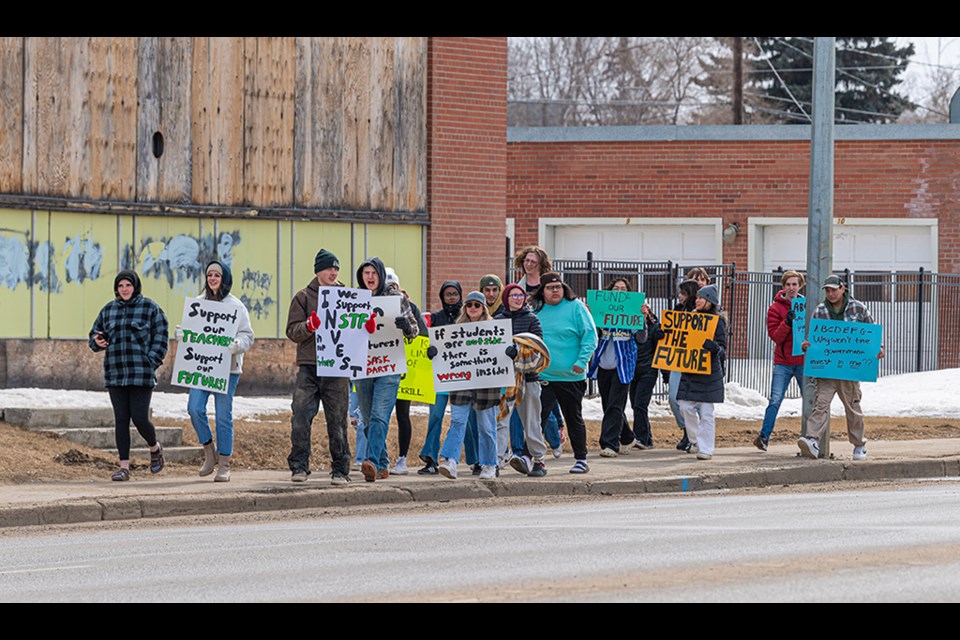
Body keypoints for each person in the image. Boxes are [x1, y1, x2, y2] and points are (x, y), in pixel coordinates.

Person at [88, 270, 169, 481]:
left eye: (128, 285)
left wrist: (151, 361)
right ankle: (124, 468)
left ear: (135, 287)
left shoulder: (150, 308)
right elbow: (94, 335)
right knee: (121, 419)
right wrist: (97, 341)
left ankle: (155, 447)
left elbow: (161, 336)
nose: (124, 289)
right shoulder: (108, 310)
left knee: (140, 418)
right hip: (116, 374)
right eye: (121, 286)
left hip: (141, 374)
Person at [179, 260, 254, 482]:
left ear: (225, 279)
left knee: (223, 415)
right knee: (194, 408)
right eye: (209, 275)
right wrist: (185, 335)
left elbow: (248, 335)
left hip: (227, 369)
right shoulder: (198, 303)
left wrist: (237, 345)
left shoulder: (236, 306)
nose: (212, 278)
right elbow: (194, 330)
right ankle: (208, 451)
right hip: (201, 367)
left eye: (217, 275)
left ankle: (224, 463)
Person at [797, 275, 884, 461]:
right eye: (827, 290)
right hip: (826, 371)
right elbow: (811, 339)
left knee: (852, 408)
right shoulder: (820, 311)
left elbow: (872, 332)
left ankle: (859, 445)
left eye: (834, 290)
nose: (830, 293)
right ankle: (812, 439)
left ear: (842, 288)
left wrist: (879, 348)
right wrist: (806, 346)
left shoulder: (858, 308)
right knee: (820, 405)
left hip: (850, 371)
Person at [286, 249, 352, 485]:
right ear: (318, 271)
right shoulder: (303, 297)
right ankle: (299, 466)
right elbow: (292, 331)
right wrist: (308, 326)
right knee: (301, 416)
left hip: (337, 368)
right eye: (328, 268)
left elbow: (356, 331)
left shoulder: (348, 296)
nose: (333, 272)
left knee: (337, 420)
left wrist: (367, 326)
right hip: (310, 367)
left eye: (336, 268)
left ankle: (341, 470)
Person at [354, 257, 421, 482]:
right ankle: (382, 465)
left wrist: (405, 326)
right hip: (362, 367)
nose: (370, 277)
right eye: (366, 273)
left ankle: (371, 460)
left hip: (389, 366)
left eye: (374, 273)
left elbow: (414, 329)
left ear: (381, 275)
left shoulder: (396, 298)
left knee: (379, 416)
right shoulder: (354, 299)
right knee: (366, 419)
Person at [428, 291, 502, 480]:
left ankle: (489, 464)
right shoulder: (455, 329)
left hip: (486, 384)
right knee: (458, 421)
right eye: (469, 305)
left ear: (483, 308)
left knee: (486, 426)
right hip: (461, 382)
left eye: (477, 305)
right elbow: (445, 352)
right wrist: (434, 351)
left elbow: (501, 356)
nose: (473, 309)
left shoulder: (495, 329)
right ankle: (450, 460)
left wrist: (508, 352)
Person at [531, 271, 598, 474]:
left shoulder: (575, 307)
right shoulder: (535, 311)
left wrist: (581, 361)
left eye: (558, 287)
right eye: (550, 288)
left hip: (571, 376)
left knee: (573, 417)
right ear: (542, 292)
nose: (555, 291)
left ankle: (581, 459)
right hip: (544, 376)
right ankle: (535, 459)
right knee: (538, 419)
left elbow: (590, 336)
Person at [587, 277, 647, 457]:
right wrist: (592, 315)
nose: (619, 292)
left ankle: (610, 444)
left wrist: (642, 318)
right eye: (615, 288)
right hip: (604, 365)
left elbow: (641, 339)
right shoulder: (602, 312)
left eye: (623, 289)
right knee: (609, 405)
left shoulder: (632, 311)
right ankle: (628, 437)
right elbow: (593, 335)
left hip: (623, 366)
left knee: (614, 405)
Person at [495, 283, 549, 477]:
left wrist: (517, 351)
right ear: (506, 298)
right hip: (504, 378)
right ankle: (498, 459)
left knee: (531, 420)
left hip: (529, 378)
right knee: (501, 419)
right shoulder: (497, 320)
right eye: (513, 295)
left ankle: (539, 460)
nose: (517, 299)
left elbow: (538, 346)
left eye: (520, 295)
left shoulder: (532, 320)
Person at [754, 270, 805, 451]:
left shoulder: (806, 305)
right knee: (775, 400)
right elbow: (775, 336)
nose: (791, 288)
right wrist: (787, 322)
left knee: (810, 400)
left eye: (795, 284)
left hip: (802, 361)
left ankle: (809, 437)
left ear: (800, 286)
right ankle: (764, 436)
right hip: (783, 362)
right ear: (783, 287)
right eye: (788, 284)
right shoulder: (775, 308)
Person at [384, 267, 428, 476]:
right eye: (388, 286)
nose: (391, 290)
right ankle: (378, 457)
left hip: (405, 370)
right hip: (381, 366)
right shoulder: (371, 305)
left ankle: (402, 459)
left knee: (403, 414)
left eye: (394, 286)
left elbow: (422, 336)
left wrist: (407, 328)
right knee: (378, 415)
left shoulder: (411, 308)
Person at [676, 284, 727, 461]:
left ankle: (706, 448)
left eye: (701, 298)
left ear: (710, 301)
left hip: (709, 373)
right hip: (691, 370)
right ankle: (695, 439)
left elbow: (722, 348)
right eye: (697, 297)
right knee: (684, 406)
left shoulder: (718, 321)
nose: (697, 300)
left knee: (706, 412)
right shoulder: (690, 317)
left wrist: (715, 348)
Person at [418, 280, 463, 475]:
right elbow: (424, 340)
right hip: (440, 376)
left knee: (463, 419)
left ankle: (475, 460)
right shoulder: (436, 318)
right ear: (442, 297)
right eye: (448, 294)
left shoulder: (466, 317)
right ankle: (430, 458)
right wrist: (430, 349)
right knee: (435, 416)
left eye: (455, 293)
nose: (452, 297)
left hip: (463, 376)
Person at [668, 279, 701, 451]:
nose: (679, 297)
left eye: (683, 293)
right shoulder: (677, 311)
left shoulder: (701, 313)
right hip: (678, 359)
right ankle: (686, 430)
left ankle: (696, 436)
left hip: (695, 361)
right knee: (673, 398)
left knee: (695, 402)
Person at [628, 301, 664, 449]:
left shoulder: (655, 327)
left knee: (640, 404)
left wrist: (666, 374)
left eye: (645, 310)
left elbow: (662, 351)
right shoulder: (629, 328)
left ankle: (640, 437)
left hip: (648, 370)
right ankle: (647, 439)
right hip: (632, 370)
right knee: (635, 404)